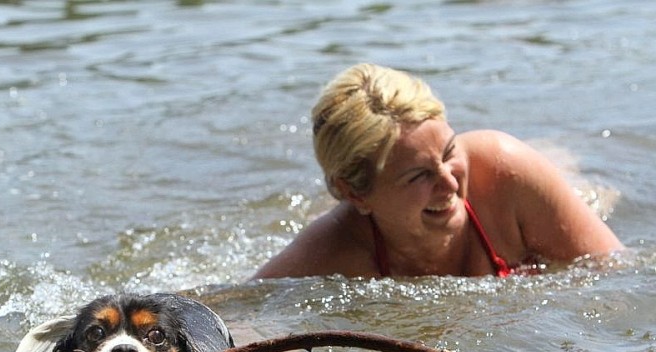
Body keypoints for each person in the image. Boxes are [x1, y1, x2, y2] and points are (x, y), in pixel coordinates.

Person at [252, 63, 623, 279]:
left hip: (542, 184)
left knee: (589, 190)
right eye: (418, 175)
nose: (449, 181)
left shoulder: (506, 170)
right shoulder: (333, 249)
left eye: (448, 152)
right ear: (355, 193)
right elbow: (232, 312)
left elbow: (621, 276)